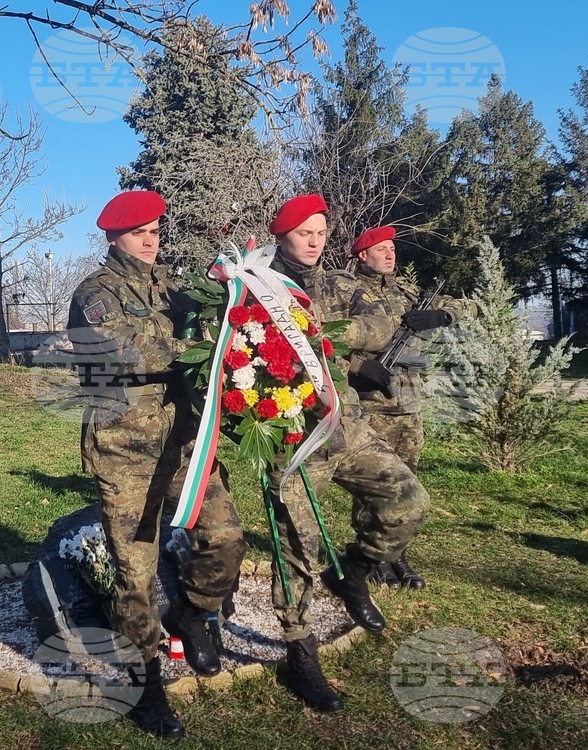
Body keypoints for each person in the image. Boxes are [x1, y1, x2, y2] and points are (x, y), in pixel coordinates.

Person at [67, 190, 248, 740]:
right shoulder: (94, 293)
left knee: (226, 538)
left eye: (156, 231)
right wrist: (197, 339)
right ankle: (146, 688)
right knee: (136, 573)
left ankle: (191, 615)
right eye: (139, 232)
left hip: (185, 445)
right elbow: (132, 351)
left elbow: (213, 326)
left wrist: (227, 311)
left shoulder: (174, 287)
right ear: (114, 237)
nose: (151, 240)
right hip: (126, 452)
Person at [262, 195, 431, 712]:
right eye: (305, 232)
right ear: (283, 235)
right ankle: (300, 653)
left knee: (407, 501)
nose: (315, 241)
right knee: (297, 551)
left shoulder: (336, 283)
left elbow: (382, 325)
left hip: (347, 423)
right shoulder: (258, 286)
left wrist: (324, 332)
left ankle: (353, 571)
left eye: (321, 232)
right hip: (292, 434)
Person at [343, 226, 472, 588]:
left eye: (392, 249)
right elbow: (328, 338)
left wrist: (440, 317)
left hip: (408, 405)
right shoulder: (350, 292)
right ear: (362, 255)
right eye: (381, 249)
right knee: (375, 488)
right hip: (370, 405)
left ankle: (397, 553)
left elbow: (465, 304)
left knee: (408, 482)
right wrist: (357, 369)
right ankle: (371, 556)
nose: (389, 254)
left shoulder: (408, 293)